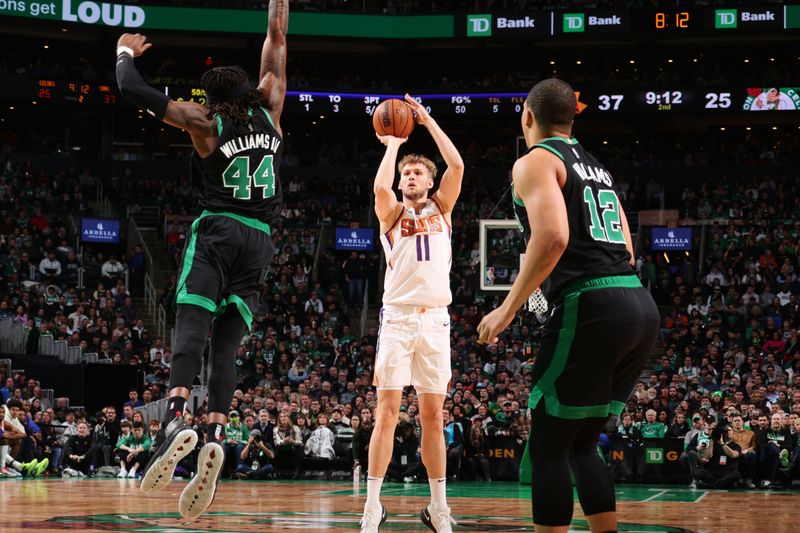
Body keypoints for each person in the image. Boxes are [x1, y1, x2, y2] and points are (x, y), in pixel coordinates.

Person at [117, 0, 289, 520]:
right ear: (251, 91)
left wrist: (124, 52)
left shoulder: (204, 122)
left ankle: (175, 418)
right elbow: (277, 41)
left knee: (190, 325)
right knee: (228, 349)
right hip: (261, 241)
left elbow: (133, 90)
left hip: (217, 231)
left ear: (212, 98)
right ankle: (215, 427)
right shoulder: (273, 108)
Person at [477, 79, 659, 533]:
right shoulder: (599, 168)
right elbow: (629, 251)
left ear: (527, 117)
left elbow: (554, 236)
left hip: (592, 302)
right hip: (637, 302)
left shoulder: (536, 159)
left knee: (548, 447)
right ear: (572, 118)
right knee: (581, 445)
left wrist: (508, 308)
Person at [361, 93, 464, 533]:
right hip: (399, 318)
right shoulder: (392, 212)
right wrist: (392, 147)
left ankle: (437, 507)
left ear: (430, 181)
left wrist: (426, 120)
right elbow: (380, 189)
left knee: (432, 417)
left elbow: (457, 166)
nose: (409, 176)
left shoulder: (443, 208)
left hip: (436, 321)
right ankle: (372, 505)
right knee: (386, 411)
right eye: (406, 173)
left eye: (417, 172)